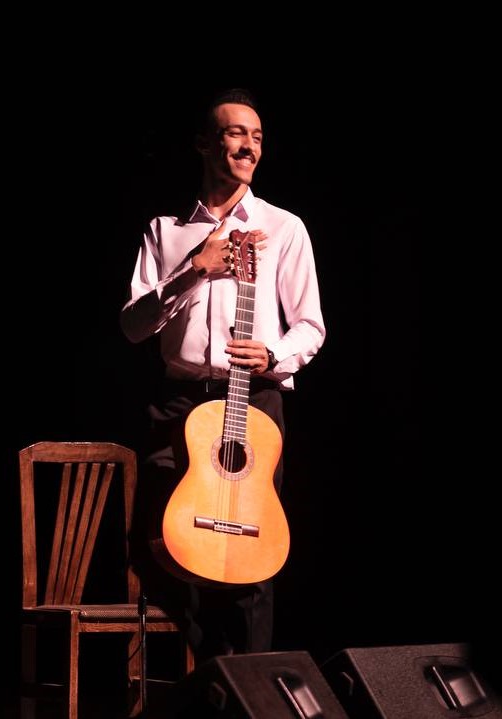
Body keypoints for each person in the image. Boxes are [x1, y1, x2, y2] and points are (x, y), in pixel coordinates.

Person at [120, 88, 326, 665]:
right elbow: (133, 327)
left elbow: (310, 324)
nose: (249, 146)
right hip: (181, 404)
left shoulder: (283, 227)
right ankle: (196, 678)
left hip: (253, 402)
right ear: (205, 144)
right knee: (167, 549)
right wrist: (194, 269)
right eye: (236, 133)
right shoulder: (165, 231)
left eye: (257, 137)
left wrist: (274, 356)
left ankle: (246, 686)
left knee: (251, 561)